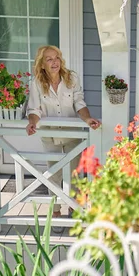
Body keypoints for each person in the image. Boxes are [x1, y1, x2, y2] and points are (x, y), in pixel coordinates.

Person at [25, 45, 101, 220]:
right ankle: (56, 211)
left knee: (74, 174)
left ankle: (74, 208)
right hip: (50, 136)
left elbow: (79, 103)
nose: (54, 62)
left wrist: (88, 119)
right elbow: (34, 109)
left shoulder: (71, 78)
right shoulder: (37, 83)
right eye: (49, 59)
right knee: (53, 175)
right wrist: (32, 123)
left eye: (57, 57)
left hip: (72, 135)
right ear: (42, 64)